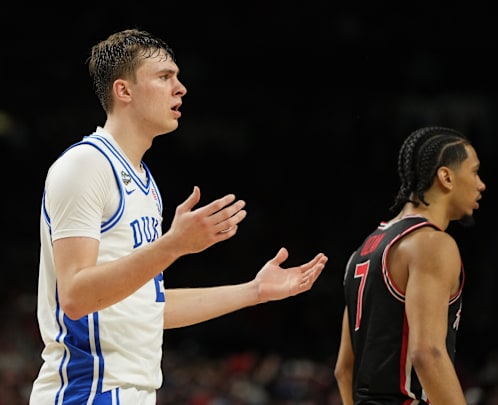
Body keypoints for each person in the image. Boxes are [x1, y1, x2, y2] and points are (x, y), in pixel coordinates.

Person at [29, 28, 328, 405]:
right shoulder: (86, 165)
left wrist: (253, 292)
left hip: (134, 391)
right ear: (125, 91)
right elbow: (74, 297)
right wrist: (173, 245)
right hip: (88, 391)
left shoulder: (144, 183)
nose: (180, 88)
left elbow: (148, 306)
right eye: (164, 77)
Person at [334, 126, 486, 405]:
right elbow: (427, 354)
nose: (481, 184)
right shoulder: (432, 244)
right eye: (475, 172)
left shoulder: (365, 249)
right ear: (446, 177)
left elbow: (344, 369)